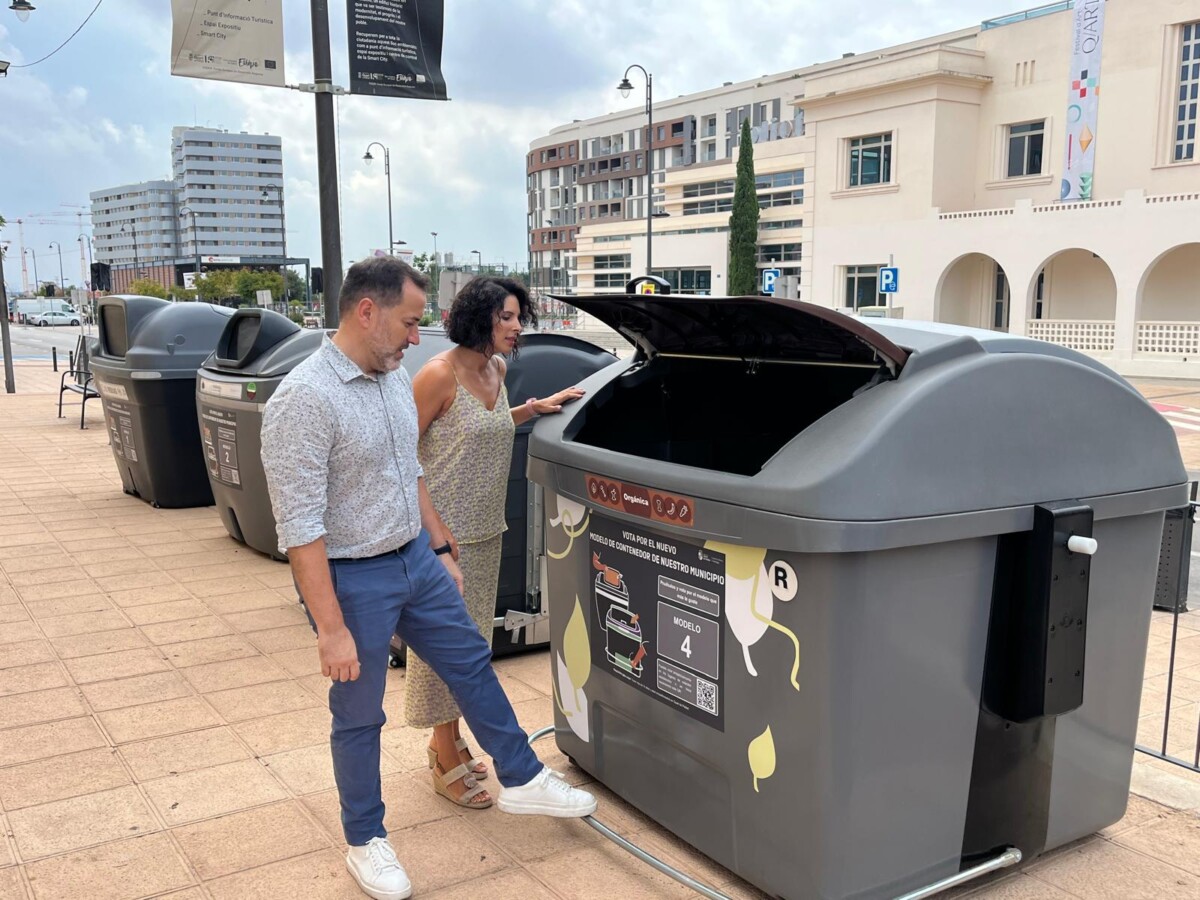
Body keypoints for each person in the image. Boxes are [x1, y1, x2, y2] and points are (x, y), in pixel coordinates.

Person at [260, 257, 595, 900]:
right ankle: (366, 841)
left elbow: (407, 471)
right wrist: (330, 628)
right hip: (352, 576)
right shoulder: (303, 400)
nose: (419, 337)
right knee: (359, 715)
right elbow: (299, 529)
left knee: (471, 661)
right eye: (411, 322)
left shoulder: (388, 376)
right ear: (368, 312)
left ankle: (522, 777)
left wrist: (438, 544)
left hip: (415, 555)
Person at [407, 277, 584, 809]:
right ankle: (441, 752)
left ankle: (453, 736)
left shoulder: (497, 370)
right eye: (505, 317)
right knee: (445, 649)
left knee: (472, 647)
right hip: (444, 538)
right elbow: (401, 457)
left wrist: (533, 409)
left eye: (518, 317)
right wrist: (432, 539)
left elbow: (480, 428)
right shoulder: (437, 375)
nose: (516, 327)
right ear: (479, 317)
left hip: (486, 532)